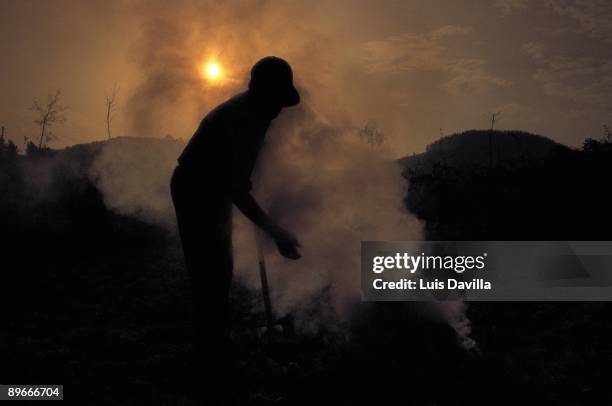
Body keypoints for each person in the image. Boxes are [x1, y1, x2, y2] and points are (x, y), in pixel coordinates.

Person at [170, 56, 302, 401]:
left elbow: (240, 175)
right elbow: (235, 189)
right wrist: (275, 233)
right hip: (194, 188)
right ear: (261, 91)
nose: (280, 109)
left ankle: (216, 345)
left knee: (220, 268)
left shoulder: (258, 114)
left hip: (212, 188)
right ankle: (210, 361)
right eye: (277, 98)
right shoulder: (241, 119)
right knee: (208, 271)